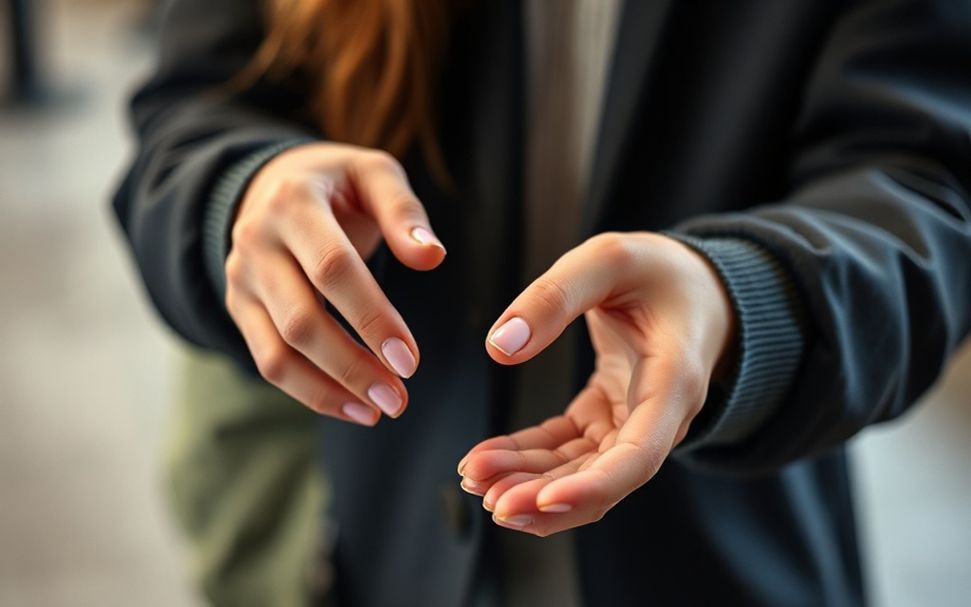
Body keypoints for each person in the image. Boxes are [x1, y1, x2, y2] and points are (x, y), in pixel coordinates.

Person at [113, 0, 971, 605]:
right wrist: (243, 196)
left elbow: (928, 189)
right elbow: (188, 114)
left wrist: (742, 301)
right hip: (383, 542)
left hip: (721, 553)